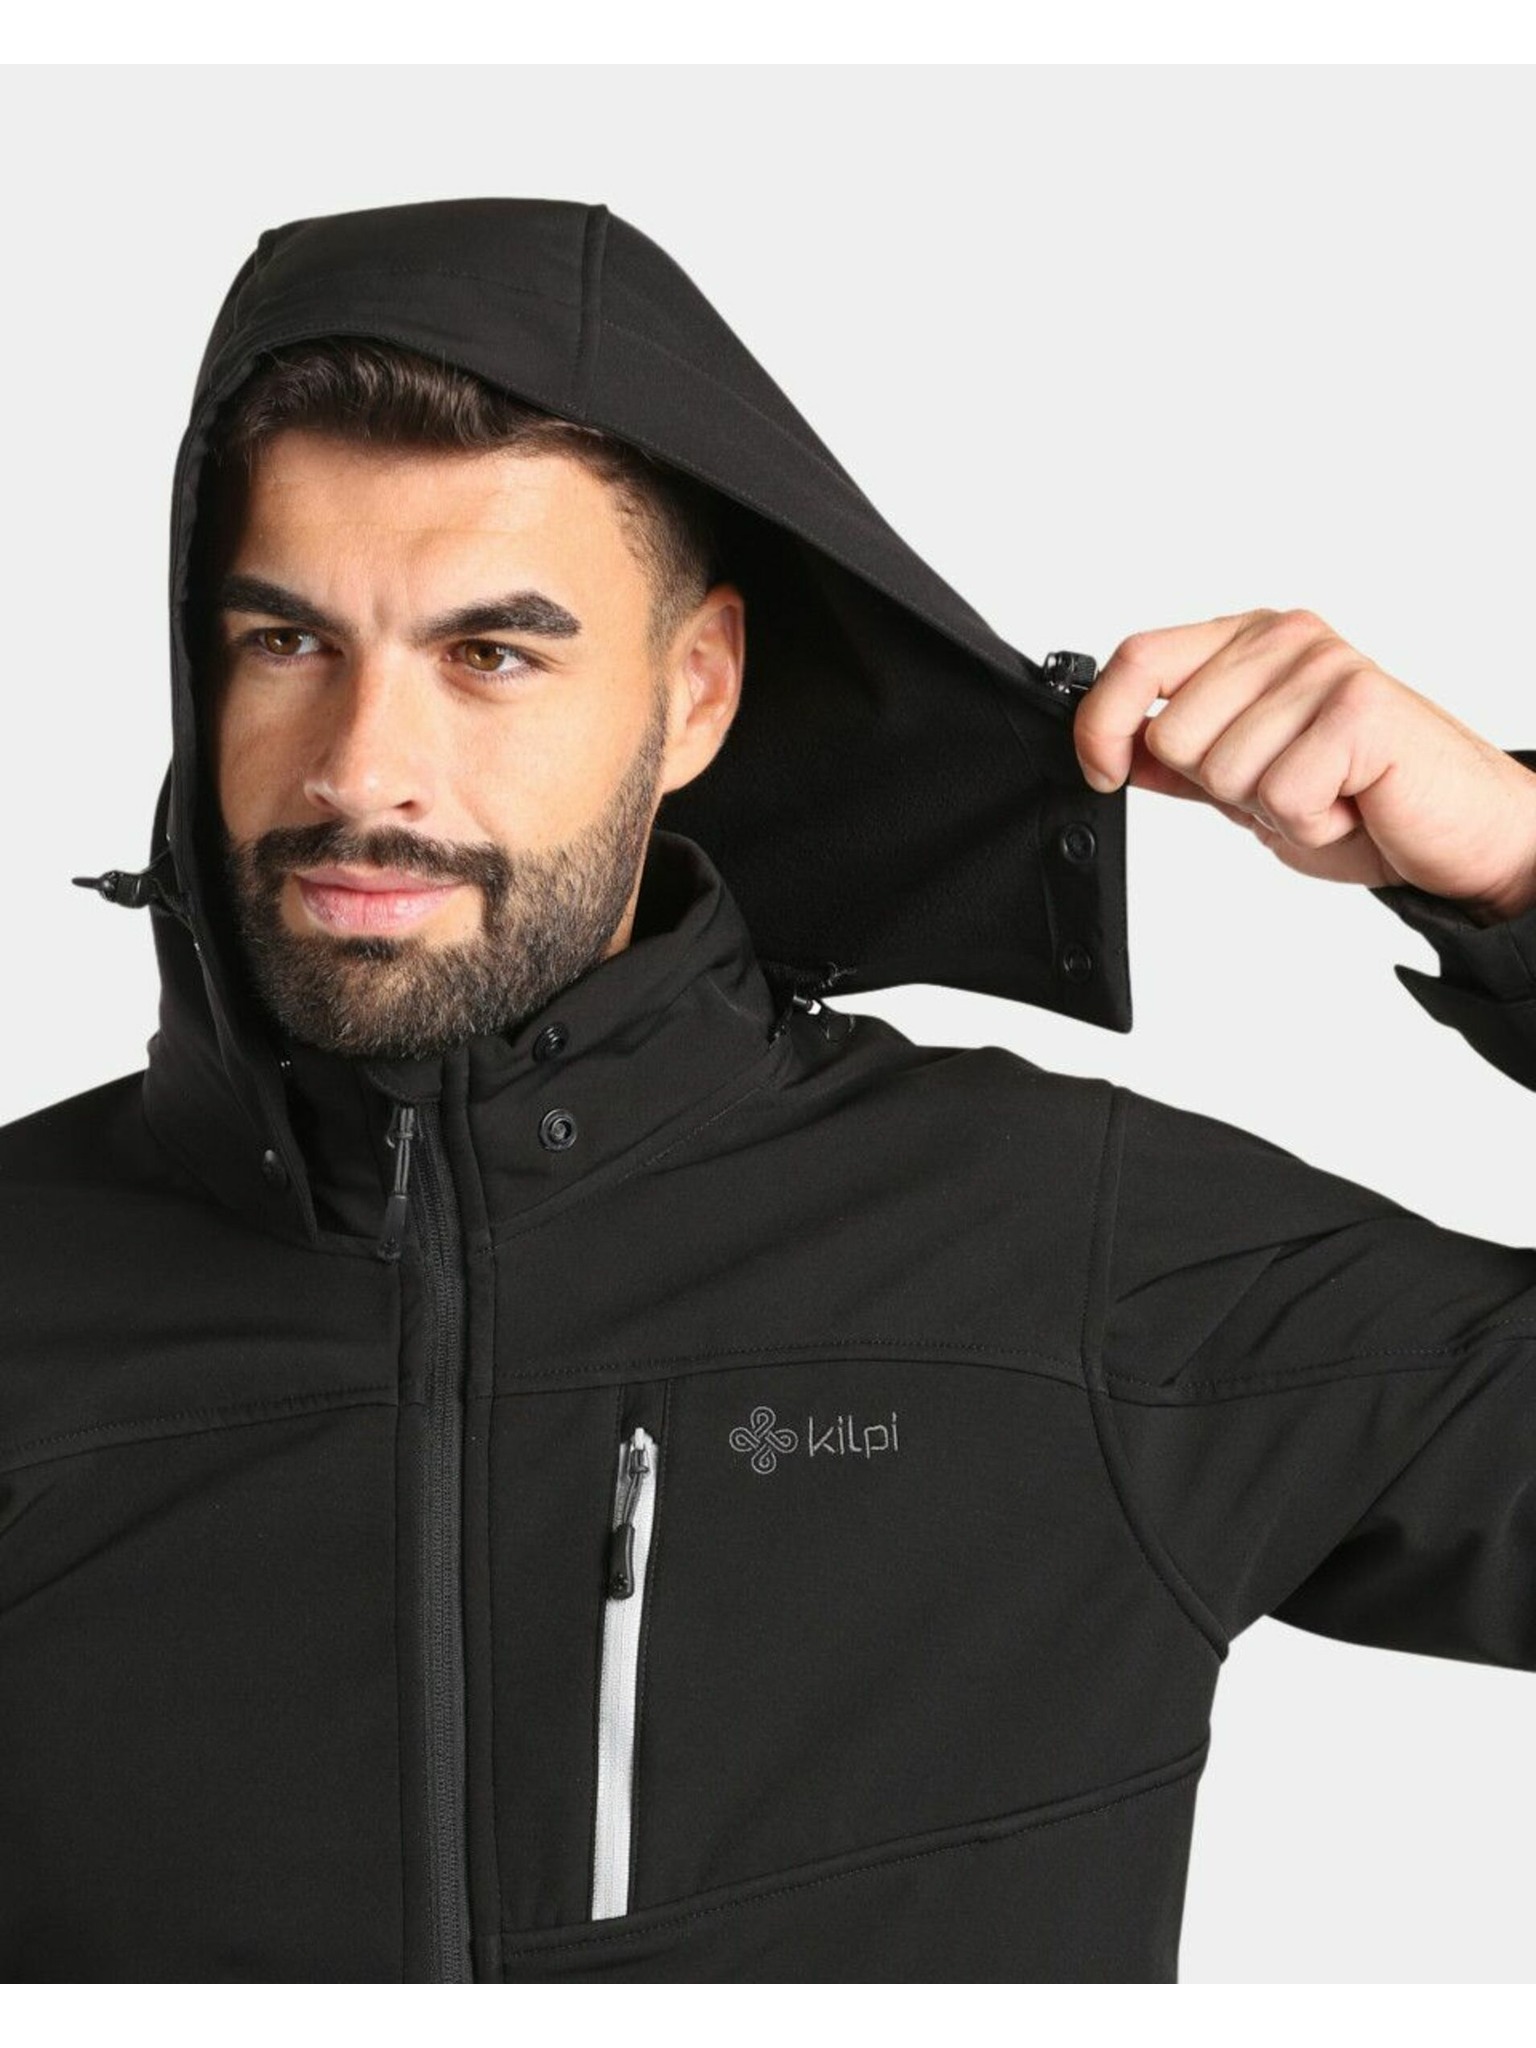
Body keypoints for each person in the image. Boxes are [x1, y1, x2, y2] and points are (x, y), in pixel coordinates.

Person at [1, 196, 1533, 1987]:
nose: (362, 769)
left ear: (699, 691)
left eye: (491, 654)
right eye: (287, 642)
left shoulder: (1061, 1256)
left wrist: (1521, 877)